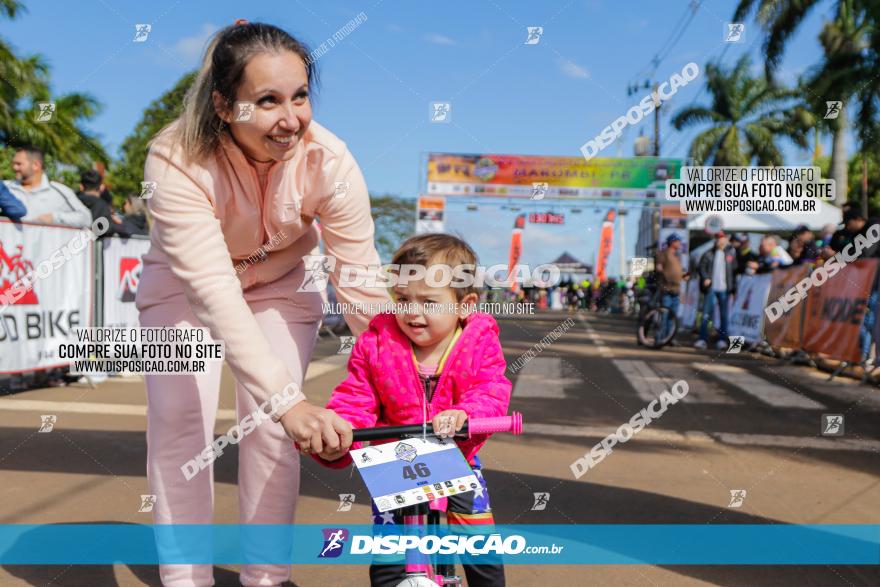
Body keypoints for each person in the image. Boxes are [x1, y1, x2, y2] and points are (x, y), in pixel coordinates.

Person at [135, 21, 390, 587]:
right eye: (267, 101)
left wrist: (412, 372)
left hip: (281, 285)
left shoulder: (331, 159)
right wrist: (290, 402)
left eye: (299, 96)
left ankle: (266, 578)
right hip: (183, 287)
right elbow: (212, 293)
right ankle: (186, 578)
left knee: (274, 428)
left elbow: (360, 282)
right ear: (225, 106)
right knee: (181, 425)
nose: (291, 118)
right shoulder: (172, 157)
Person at [313, 234, 510, 587]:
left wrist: (467, 414)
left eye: (429, 302)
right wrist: (339, 435)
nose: (412, 312)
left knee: (482, 552)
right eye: (403, 299)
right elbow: (356, 398)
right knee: (388, 557)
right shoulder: (376, 343)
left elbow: (491, 389)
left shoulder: (479, 342)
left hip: (457, 460)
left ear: (465, 305)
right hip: (395, 461)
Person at [4, 146, 91, 227]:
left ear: (36, 165)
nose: (14, 167)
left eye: (19, 164)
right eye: (14, 164)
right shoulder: (5, 188)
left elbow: (86, 218)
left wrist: (54, 218)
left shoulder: (59, 191)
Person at [695, 232, 737, 349]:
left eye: (721, 238)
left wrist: (733, 289)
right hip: (711, 289)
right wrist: (706, 277)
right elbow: (701, 267)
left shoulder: (731, 254)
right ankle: (702, 339)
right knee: (706, 315)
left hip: (725, 289)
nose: (719, 241)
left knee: (724, 316)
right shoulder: (708, 253)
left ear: (726, 240)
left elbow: (734, 271)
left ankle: (722, 340)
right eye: (717, 238)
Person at [654, 234, 685, 345]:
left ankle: (669, 338)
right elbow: (659, 268)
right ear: (672, 242)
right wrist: (664, 275)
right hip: (666, 289)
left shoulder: (677, 256)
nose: (679, 243)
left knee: (673, 317)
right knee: (664, 315)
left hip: (676, 290)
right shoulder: (663, 254)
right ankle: (660, 338)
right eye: (678, 241)